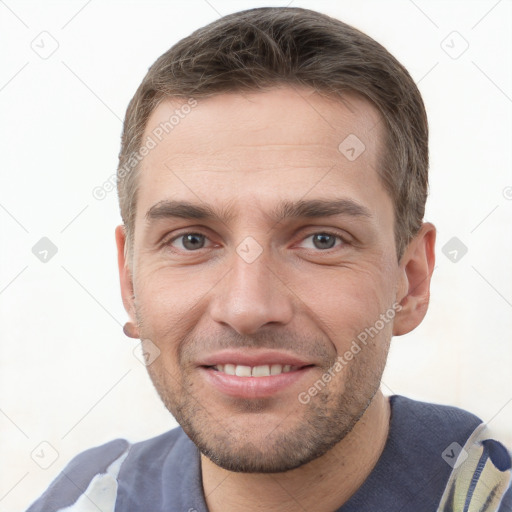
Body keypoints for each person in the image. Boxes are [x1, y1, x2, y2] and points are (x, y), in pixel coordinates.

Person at [27, 6, 511, 512]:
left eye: (322, 240)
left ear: (410, 281)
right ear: (130, 282)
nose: (246, 307)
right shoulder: (84, 499)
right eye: (191, 240)